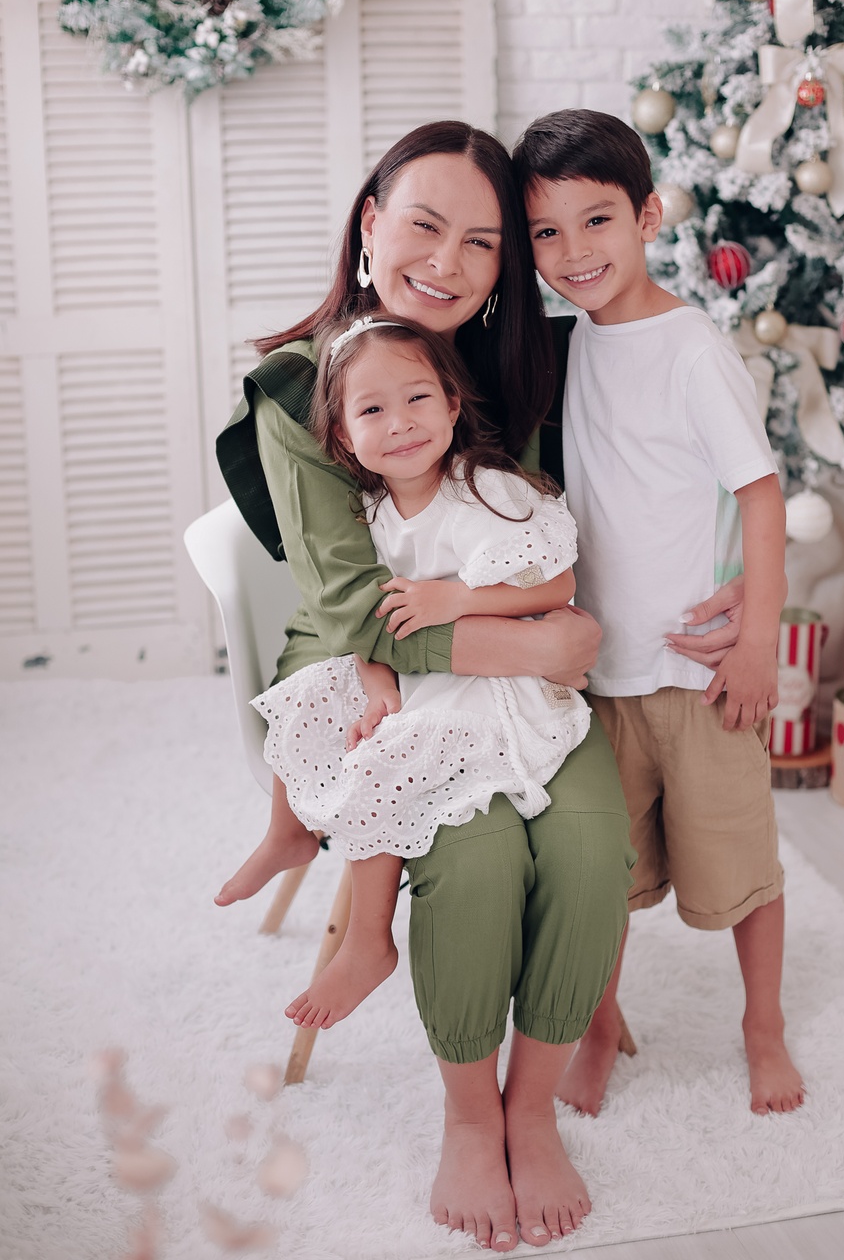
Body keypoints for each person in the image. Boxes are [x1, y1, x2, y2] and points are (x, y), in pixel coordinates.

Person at [214, 121, 637, 1253]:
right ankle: (465, 1114)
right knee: (481, 858)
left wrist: (574, 624)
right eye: (425, 226)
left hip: (509, 670)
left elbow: (547, 542)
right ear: (371, 223)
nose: (449, 262)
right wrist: (543, 647)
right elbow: (361, 615)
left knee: (589, 848)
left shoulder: (514, 368)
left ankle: (530, 1107)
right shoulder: (307, 385)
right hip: (369, 665)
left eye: (483, 242)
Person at [512, 108, 805, 1119]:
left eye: (596, 221)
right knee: (601, 879)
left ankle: (762, 1026)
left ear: (648, 215)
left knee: (742, 868)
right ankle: (600, 1026)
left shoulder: (691, 349)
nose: (574, 252)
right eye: (547, 232)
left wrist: (758, 638)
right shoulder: (571, 345)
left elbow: (760, 495)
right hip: (600, 678)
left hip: (694, 669)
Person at [251, 315, 591, 1034]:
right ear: (343, 437)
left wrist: (457, 598)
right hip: (418, 670)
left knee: (385, 758)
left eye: (417, 400)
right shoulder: (372, 512)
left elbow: (556, 586)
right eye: (373, 409)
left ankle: (370, 940)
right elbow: (369, 626)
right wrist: (379, 687)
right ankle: (288, 832)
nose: (400, 423)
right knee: (317, 699)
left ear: (452, 405)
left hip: (491, 676)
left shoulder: (483, 491)